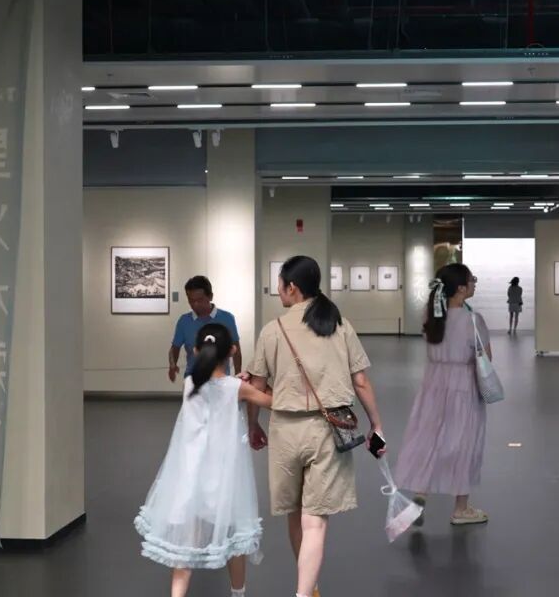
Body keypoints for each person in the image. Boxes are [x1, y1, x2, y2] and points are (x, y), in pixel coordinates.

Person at [245, 256, 385, 597]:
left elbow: (257, 386)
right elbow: (361, 381)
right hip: (328, 432)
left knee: (295, 516)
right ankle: (304, 592)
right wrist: (376, 424)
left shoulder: (272, 330)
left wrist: (253, 424)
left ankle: (309, 588)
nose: (278, 290)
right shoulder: (339, 325)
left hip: (285, 431)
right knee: (315, 522)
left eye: (280, 284)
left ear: (292, 287)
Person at [135, 323, 274, 597]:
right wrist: (259, 383)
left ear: (196, 350)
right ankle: (238, 593)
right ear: (232, 351)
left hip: (189, 474)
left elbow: (212, 386)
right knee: (234, 539)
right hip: (223, 474)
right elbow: (271, 401)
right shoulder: (237, 388)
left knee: (184, 544)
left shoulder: (189, 384)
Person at [395, 263, 491, 526]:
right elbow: (486, 358)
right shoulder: (473, 320)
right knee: (463, 443)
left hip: (433, 384)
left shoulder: (431, 315)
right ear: (460, 288)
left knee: (429, 439)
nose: (474, 283)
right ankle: (461, 509)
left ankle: (420, 494)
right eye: (472, 280)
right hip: (463, 386)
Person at [168, 276, 242, 382]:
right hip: (193, 381)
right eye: (191, 300)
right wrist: (172, 364)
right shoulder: (184, 321)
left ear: (210, 296)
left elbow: (236, 349)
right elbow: (174, 348)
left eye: (200, 300)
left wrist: (238, 375)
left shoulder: (227, 318)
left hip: (220, 381)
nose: (195, 304)